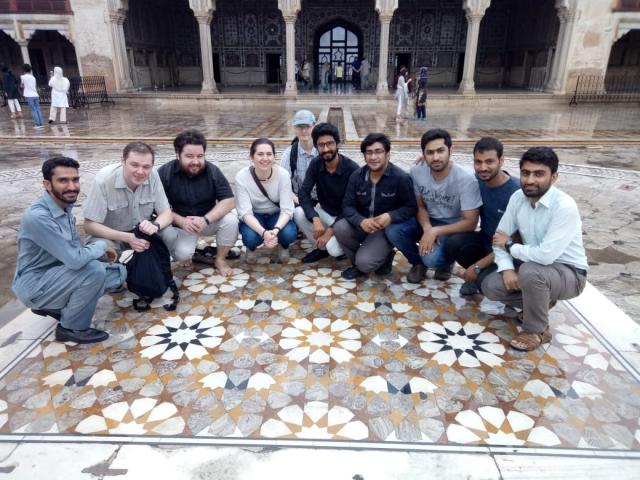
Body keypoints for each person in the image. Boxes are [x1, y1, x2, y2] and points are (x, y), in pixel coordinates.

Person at [481, 147, 588, 352]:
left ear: (554, 177)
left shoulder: (564, 206)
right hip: (536, 267)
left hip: (570, 274)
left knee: (531, 271)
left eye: (539, 174)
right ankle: (540, 303)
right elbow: (499, 238)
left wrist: (511, 245)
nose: (530, 180)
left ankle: (536, 330)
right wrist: (507, 269)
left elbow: (545, 256)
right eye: (525, 173)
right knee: (491, 285)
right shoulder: (517, 198)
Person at [12, 157, 126, 344]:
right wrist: (103, 245)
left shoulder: (63, 207)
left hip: (55, 275)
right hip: (36, 284)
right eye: (63, 180)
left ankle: (54, 306)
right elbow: (75, 260)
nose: (72, 186)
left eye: (75, 179)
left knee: (116, 274)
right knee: (94, 271)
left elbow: (72, 251)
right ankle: (71, 327)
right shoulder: (38, 217)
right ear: (47, 184)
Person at [386, 128, 481, 283]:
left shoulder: (466, 179)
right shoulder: (417, 171)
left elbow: (470, 223)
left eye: (440, 151)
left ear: (451, 150)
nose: (435, 157)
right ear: (423, 154)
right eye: (430, 153)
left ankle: (446, 262)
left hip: (452, 227)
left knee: (432, 259)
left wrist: (435, 231)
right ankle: (417, 263)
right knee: (393, 230)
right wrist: (427, 229)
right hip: (427, 221)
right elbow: (420, 206)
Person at [333, 133, 417, 280]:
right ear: (364, 156)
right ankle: (357, 264)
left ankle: (383, 254)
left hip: (384, 229)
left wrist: (390, 216)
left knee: (366, 263)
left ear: (388, 154)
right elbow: (347, 206)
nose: (373, 157)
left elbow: (411, 207)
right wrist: (361, 221)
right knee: (340, 227)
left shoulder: (400, 178)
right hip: (363, 224)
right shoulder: (357, 176)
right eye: (369, 152)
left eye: (378, 151)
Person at [444, 137, 520, 296]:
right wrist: (427, 162)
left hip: (510, 251)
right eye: (478, 162)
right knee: (455, 242)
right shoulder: (476, 180)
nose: (483, 167)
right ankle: (479, 276)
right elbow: (453, 173)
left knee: (487, 285)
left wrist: (478, 266)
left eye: (489, 162)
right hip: (486, 242)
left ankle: (481, 277)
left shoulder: (517, 192)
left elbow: (517, 240)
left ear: (501, 160)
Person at [158, 129, 239, 276]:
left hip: (207, 219)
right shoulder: (165, 173)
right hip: (181, 225)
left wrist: (205, 220)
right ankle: (192, 253)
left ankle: (220, 259)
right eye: (189, 156)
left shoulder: (212, 171)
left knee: (231, 220)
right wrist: (181, 221)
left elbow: (229, 200)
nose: (196, 161)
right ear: (178, 155)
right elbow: (156, 206)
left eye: (200, 156)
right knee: (182, 255)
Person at [83, 142, 173, 255]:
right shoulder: (103, 180)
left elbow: (166, 213)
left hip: (142, 234)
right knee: (102, 251)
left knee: (170, 235)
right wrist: (128, 238)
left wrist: (155, 225)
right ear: (123, 161)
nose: (140, 172)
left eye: (146, 167)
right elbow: (89, 226)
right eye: (134, 165)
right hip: (112, 236)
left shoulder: (153, 175)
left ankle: (156, 266)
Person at [294, 122, 359, 263]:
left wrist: (329, 232)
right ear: (316, 147)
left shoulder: (352, 169)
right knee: (299, 213)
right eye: (321, 145)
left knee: (334, 250)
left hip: (345, 219)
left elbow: (352, 206)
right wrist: (315, 218)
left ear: (337, 144)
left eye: (330, 143)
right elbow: (304, 193)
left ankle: (339, 245)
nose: (326, 149)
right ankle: (320, 248)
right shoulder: (316, 164)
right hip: (326, 213)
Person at [235, 138, 297, 263]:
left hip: (277, 214)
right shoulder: (242, 177)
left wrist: (275, 230)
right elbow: (245, 213)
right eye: (260, 154)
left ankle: (283, 246)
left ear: (274, 156)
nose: (265, 158)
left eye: (269, 154)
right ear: (252, 157)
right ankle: (251, 248)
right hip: (254, 215)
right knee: (250, 237)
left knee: (288, 234)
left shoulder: (283, 175)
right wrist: (264, 233)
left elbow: (287, 209)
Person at [280, 109, 318, 203]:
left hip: (323, 201)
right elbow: (283, 185)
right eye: (300, 127)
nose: (304, 131)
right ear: (294, 128)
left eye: (307, 127)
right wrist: (298, 201)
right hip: (298, 201)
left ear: (314, 126)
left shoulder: (323, 151)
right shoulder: (289, 154)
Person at [20, 64, 44, 129]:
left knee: (33, 110)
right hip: (35, 94)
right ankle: (41, 123)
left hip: (29, 95)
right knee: (38, 109)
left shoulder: (23, 77)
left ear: (24, 70)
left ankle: (37, 124)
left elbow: (21, 85)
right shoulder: (33, 77)